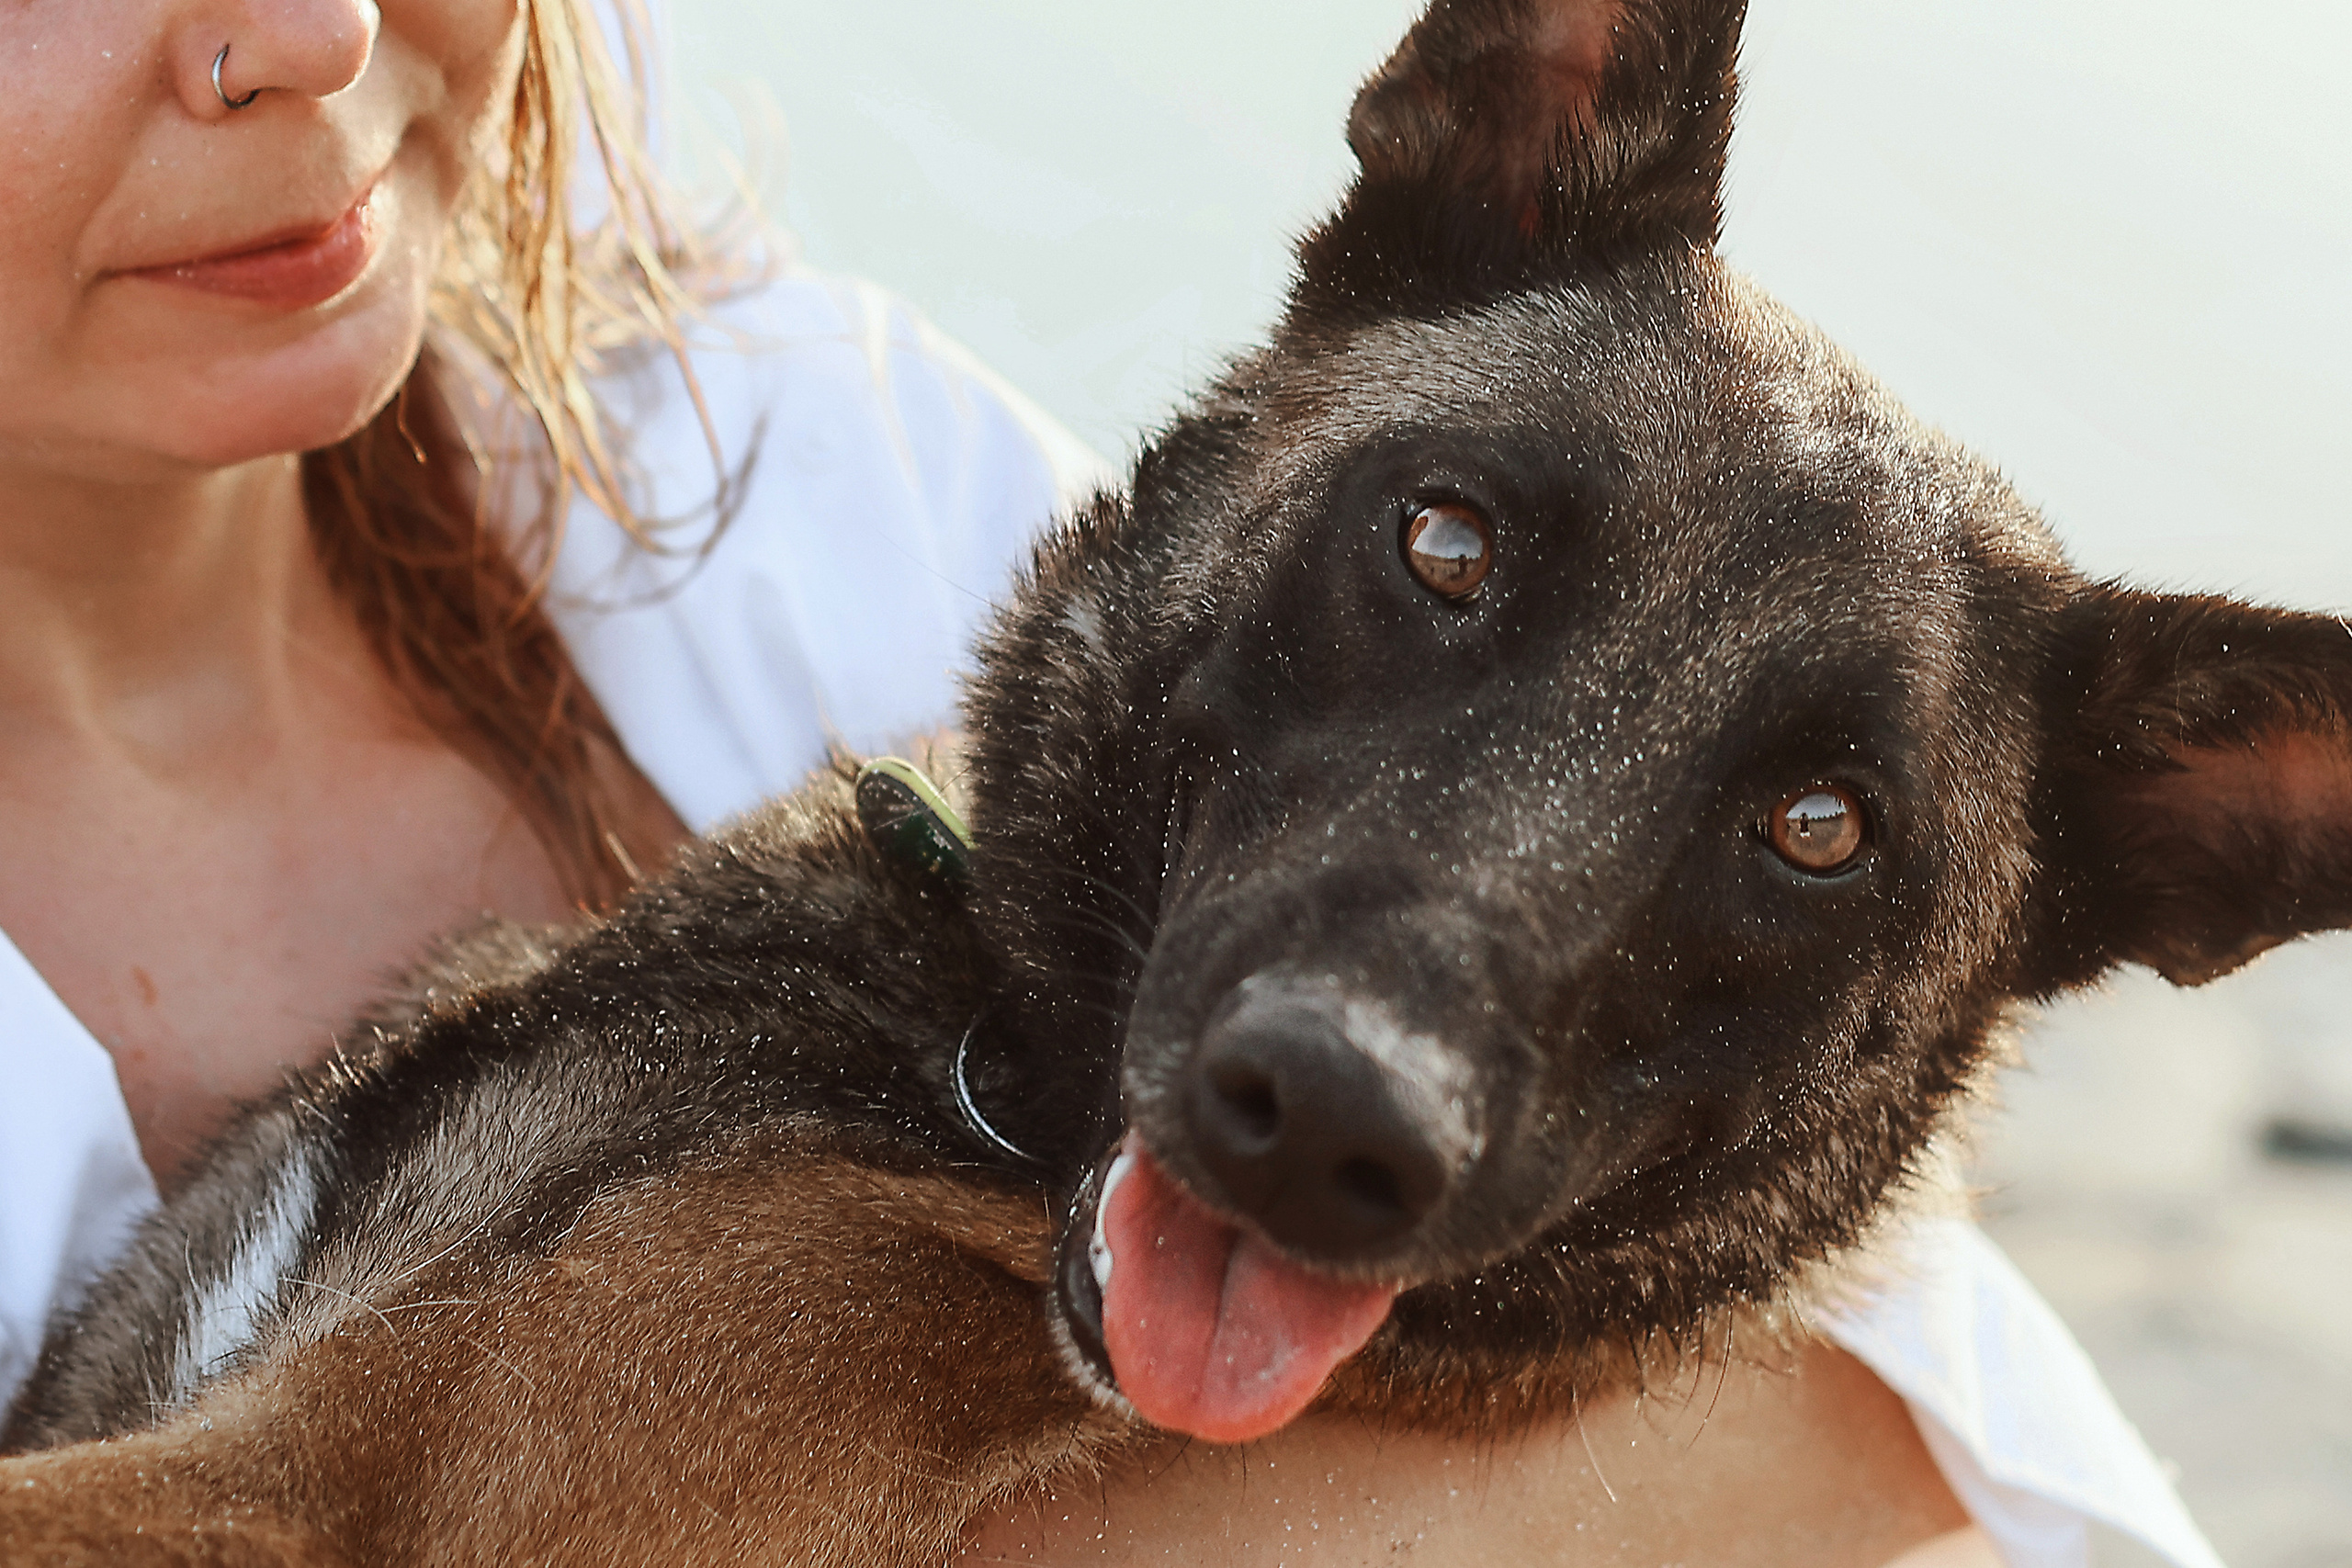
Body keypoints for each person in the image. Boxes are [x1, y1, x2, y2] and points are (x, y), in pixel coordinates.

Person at [0, 4, 2222, 1565]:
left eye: (1816, 832)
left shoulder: (806, 456)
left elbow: (1951, 1435)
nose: (303, 28)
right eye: (1445, 558)